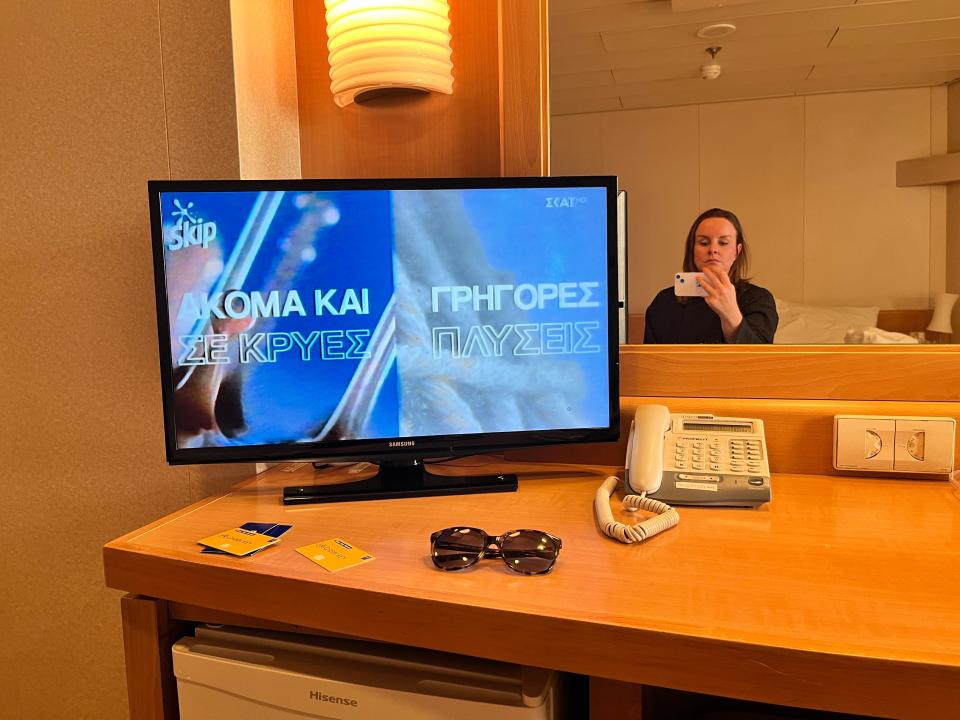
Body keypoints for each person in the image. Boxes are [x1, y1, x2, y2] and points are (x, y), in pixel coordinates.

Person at [643, 208, 777, 344]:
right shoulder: (663, 303)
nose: (713, 250)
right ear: (692, 249)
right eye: (704, 243)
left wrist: (731, 314)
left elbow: (759, 360)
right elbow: (650, 360)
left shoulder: (758, 300)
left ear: (737, 251)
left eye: (723, 243)